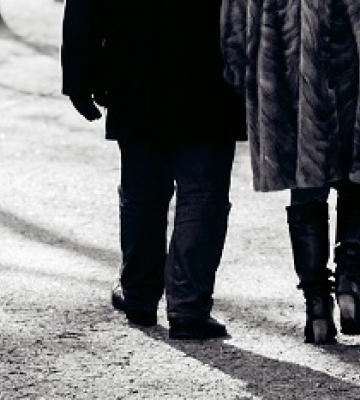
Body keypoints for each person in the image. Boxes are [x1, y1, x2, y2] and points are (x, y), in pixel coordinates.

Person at [222, 0, 360, 344]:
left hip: (287, 63)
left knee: (306, 184)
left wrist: (239, 65)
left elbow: (235, 11)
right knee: (359, 180)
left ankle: (317, 305)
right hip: (358, 57)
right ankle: (349, 282)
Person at [61, 0, 246, 339]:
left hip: (137, 64)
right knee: (202, 193)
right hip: (210, 68)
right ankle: (187, 306)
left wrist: (78, 73)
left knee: (144, 189)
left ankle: (139, 294)